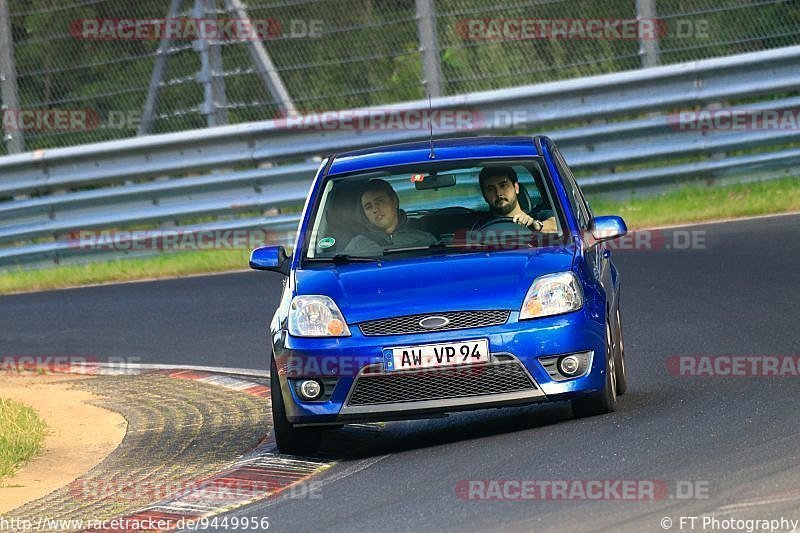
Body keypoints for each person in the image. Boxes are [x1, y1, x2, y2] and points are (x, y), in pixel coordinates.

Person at [344, 179, 437, 254]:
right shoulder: (356, 246)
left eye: (380, 201)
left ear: (394, 202)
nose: (375, 209)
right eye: (368, 207)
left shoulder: (424, 238)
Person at [478, 166, 558, 232]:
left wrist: (536, 225)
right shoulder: (477, 223)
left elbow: (558, 226)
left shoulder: (538, 216)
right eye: (491, 189)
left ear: (516, 187)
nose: (498, 193)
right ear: (484, 196)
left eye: (503, 186)